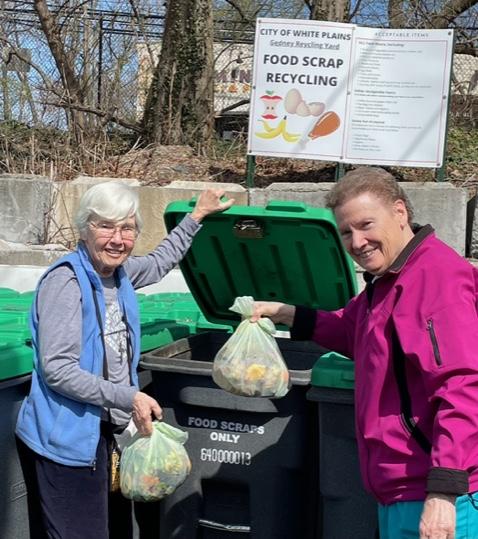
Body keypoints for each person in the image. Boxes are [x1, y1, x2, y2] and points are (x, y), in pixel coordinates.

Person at [251, 167, 478, 539]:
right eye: (346, 232)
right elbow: (353, 331)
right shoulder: (388, 280)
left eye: (366, 224)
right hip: (400, 488)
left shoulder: (434, 279)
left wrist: (443, 490)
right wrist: (287, 314)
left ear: (400, 212)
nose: (357, 242)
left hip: (438, 494)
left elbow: (462, 385)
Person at [15, 181, 234, 539]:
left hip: (107, 433)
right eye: (106, 226)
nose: (117, 239)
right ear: (84, 229)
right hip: (67, 439)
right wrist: (128, 397)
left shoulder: (121, 274)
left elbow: (161, 261)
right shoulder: (67, 283)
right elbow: (58, 370)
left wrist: (196, 216)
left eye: (127, 229)